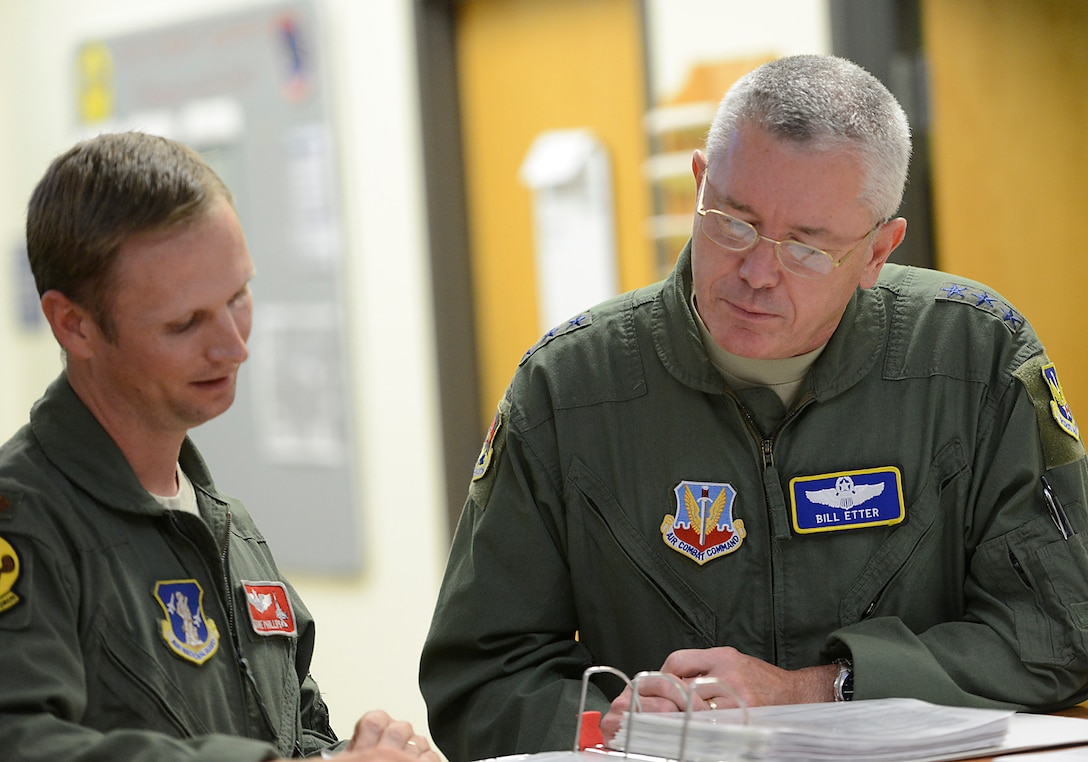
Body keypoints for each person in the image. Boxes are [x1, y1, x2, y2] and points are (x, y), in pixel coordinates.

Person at [418, 54, 1088, 761]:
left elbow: (1060, 629)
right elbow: (479, 680)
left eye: (806, 246)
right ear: (701, 183)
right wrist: (613, 728)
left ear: (876, 252)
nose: (757, 273)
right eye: (734, 223)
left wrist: (821, 687)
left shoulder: (975, 357)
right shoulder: (568, 388)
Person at [0, 131, 439, 762]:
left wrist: (355, 753)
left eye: (238, 296)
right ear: (75, 325)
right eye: (186, 323)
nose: (234, 345)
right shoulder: (26, 524)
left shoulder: (227, 528)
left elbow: (292, 734)